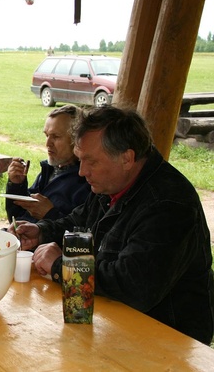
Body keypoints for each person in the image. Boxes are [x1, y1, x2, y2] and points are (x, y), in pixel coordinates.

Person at [12, 106, 214, 345]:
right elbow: (78, 220)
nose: (81, 171)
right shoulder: (111, 182)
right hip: (114, 319)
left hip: (167, 337)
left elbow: (136, 286)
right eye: (80, 159)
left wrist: (62, 266)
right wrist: (41, 232)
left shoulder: (168, 204)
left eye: (91, 161)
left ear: (127, 158)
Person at [5, 105, 90, 223]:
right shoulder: (49, 171)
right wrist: (16, 185)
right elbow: (17, 218)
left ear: (77, 140)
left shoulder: (87, 182)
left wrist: (49, 214)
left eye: (56, 136)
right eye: (46, 135)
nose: (48, 143)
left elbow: (82, 232)